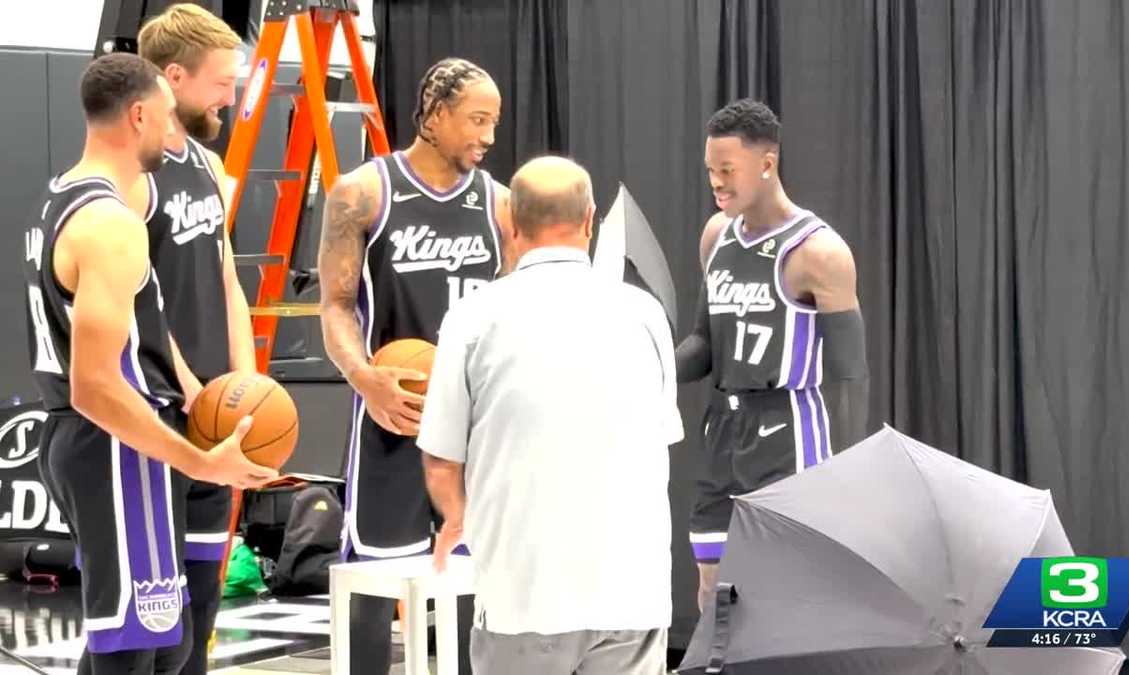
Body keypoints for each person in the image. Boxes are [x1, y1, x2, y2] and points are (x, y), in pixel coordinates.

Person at [20, 53, 275, 675]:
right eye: (165, 117)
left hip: (106, 443)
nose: (172, 131)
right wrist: (196, 459)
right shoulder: (111, 223)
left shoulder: (66, 196)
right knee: (136, 647)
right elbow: (95, 385)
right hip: (112, 447)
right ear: (137, 115)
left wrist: (194, 391)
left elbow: (143, 338)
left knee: (162, 641)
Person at [418, 156, 681, 675]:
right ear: (589, 222)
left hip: (523, 598)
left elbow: (441, 460)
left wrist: (456, 519)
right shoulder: (645, 314)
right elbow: (660, 436)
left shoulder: (472, 317)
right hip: (632, 594)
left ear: (509, 224)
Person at [317, 57, 509, 674]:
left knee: (473, 584)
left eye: (495, 122)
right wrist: (363, 376)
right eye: (477, 119)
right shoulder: (362, 193)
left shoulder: (500, 205)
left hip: (475, 427)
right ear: (435, 114)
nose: (487, 136)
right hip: (393, 417)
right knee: (374, 583)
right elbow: (336, 305)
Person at [675, 99, 869, 610]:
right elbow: (703, 345)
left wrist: (849, 473)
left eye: (727, 170)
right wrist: (647, 367)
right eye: (710, 171)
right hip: (724, 425)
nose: (716, 182)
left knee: (790, 587)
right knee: (713, 582)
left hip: (788, 425)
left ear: (767, 163)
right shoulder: (717, 235)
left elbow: (849, 374)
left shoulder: (818, 251)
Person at [128, 6, 252, 672]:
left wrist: (246, 379)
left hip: (213, 408)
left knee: (203, 604)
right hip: (159, 410)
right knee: (156, 620)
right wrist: (191, 384)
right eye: (220, 83)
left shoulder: (206, 161)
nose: (230, 98)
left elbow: (225, 273)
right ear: (172, 77)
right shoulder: (133, 176)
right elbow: (136, 298)